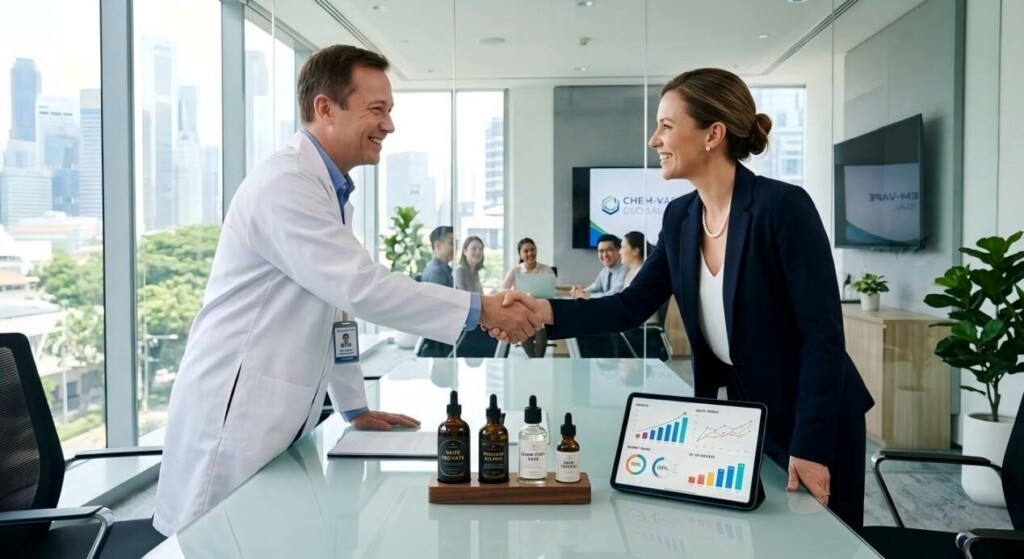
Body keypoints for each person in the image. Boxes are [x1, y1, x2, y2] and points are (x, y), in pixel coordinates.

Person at [152, 45, 541, 536]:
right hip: (232, 419)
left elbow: (338, 312)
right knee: (219, 540)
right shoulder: (286, 183)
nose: (389, 125)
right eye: (376, 110)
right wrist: (479, 308)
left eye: (390, 111)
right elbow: (360, 287)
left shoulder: (330, 193)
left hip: (275, 417)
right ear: (324, 108)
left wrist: (353, 405)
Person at [496, 68, 874, 531]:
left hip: (814, 418)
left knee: (825, 544)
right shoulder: (680, 217)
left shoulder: (782, 208)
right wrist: (546, 312)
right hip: (745, 417)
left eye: (666, 126)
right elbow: (631, 304)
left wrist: (810, 446)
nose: (654, 140)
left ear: (713, 134)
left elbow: (823, 336)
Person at [501, 237, 555, 357]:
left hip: (540, 307)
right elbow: (503, 290)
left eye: (532, 250)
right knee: (526, 321)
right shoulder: (515, 270)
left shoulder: (547, 270)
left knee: (539, 323)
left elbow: (552, 292)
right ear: (520, 254)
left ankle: (536, 360)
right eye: (526, 251)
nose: (530, 253)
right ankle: (533, 359)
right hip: (522, 309)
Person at [569, 233, 628, 299]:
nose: (605, 255)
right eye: (601, 251)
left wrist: (588, 296)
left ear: (618, 250)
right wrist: (581, 292)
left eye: (609, 250)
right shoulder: (606, 269)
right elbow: (596, 287)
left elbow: (613, 295)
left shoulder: (626, 270)